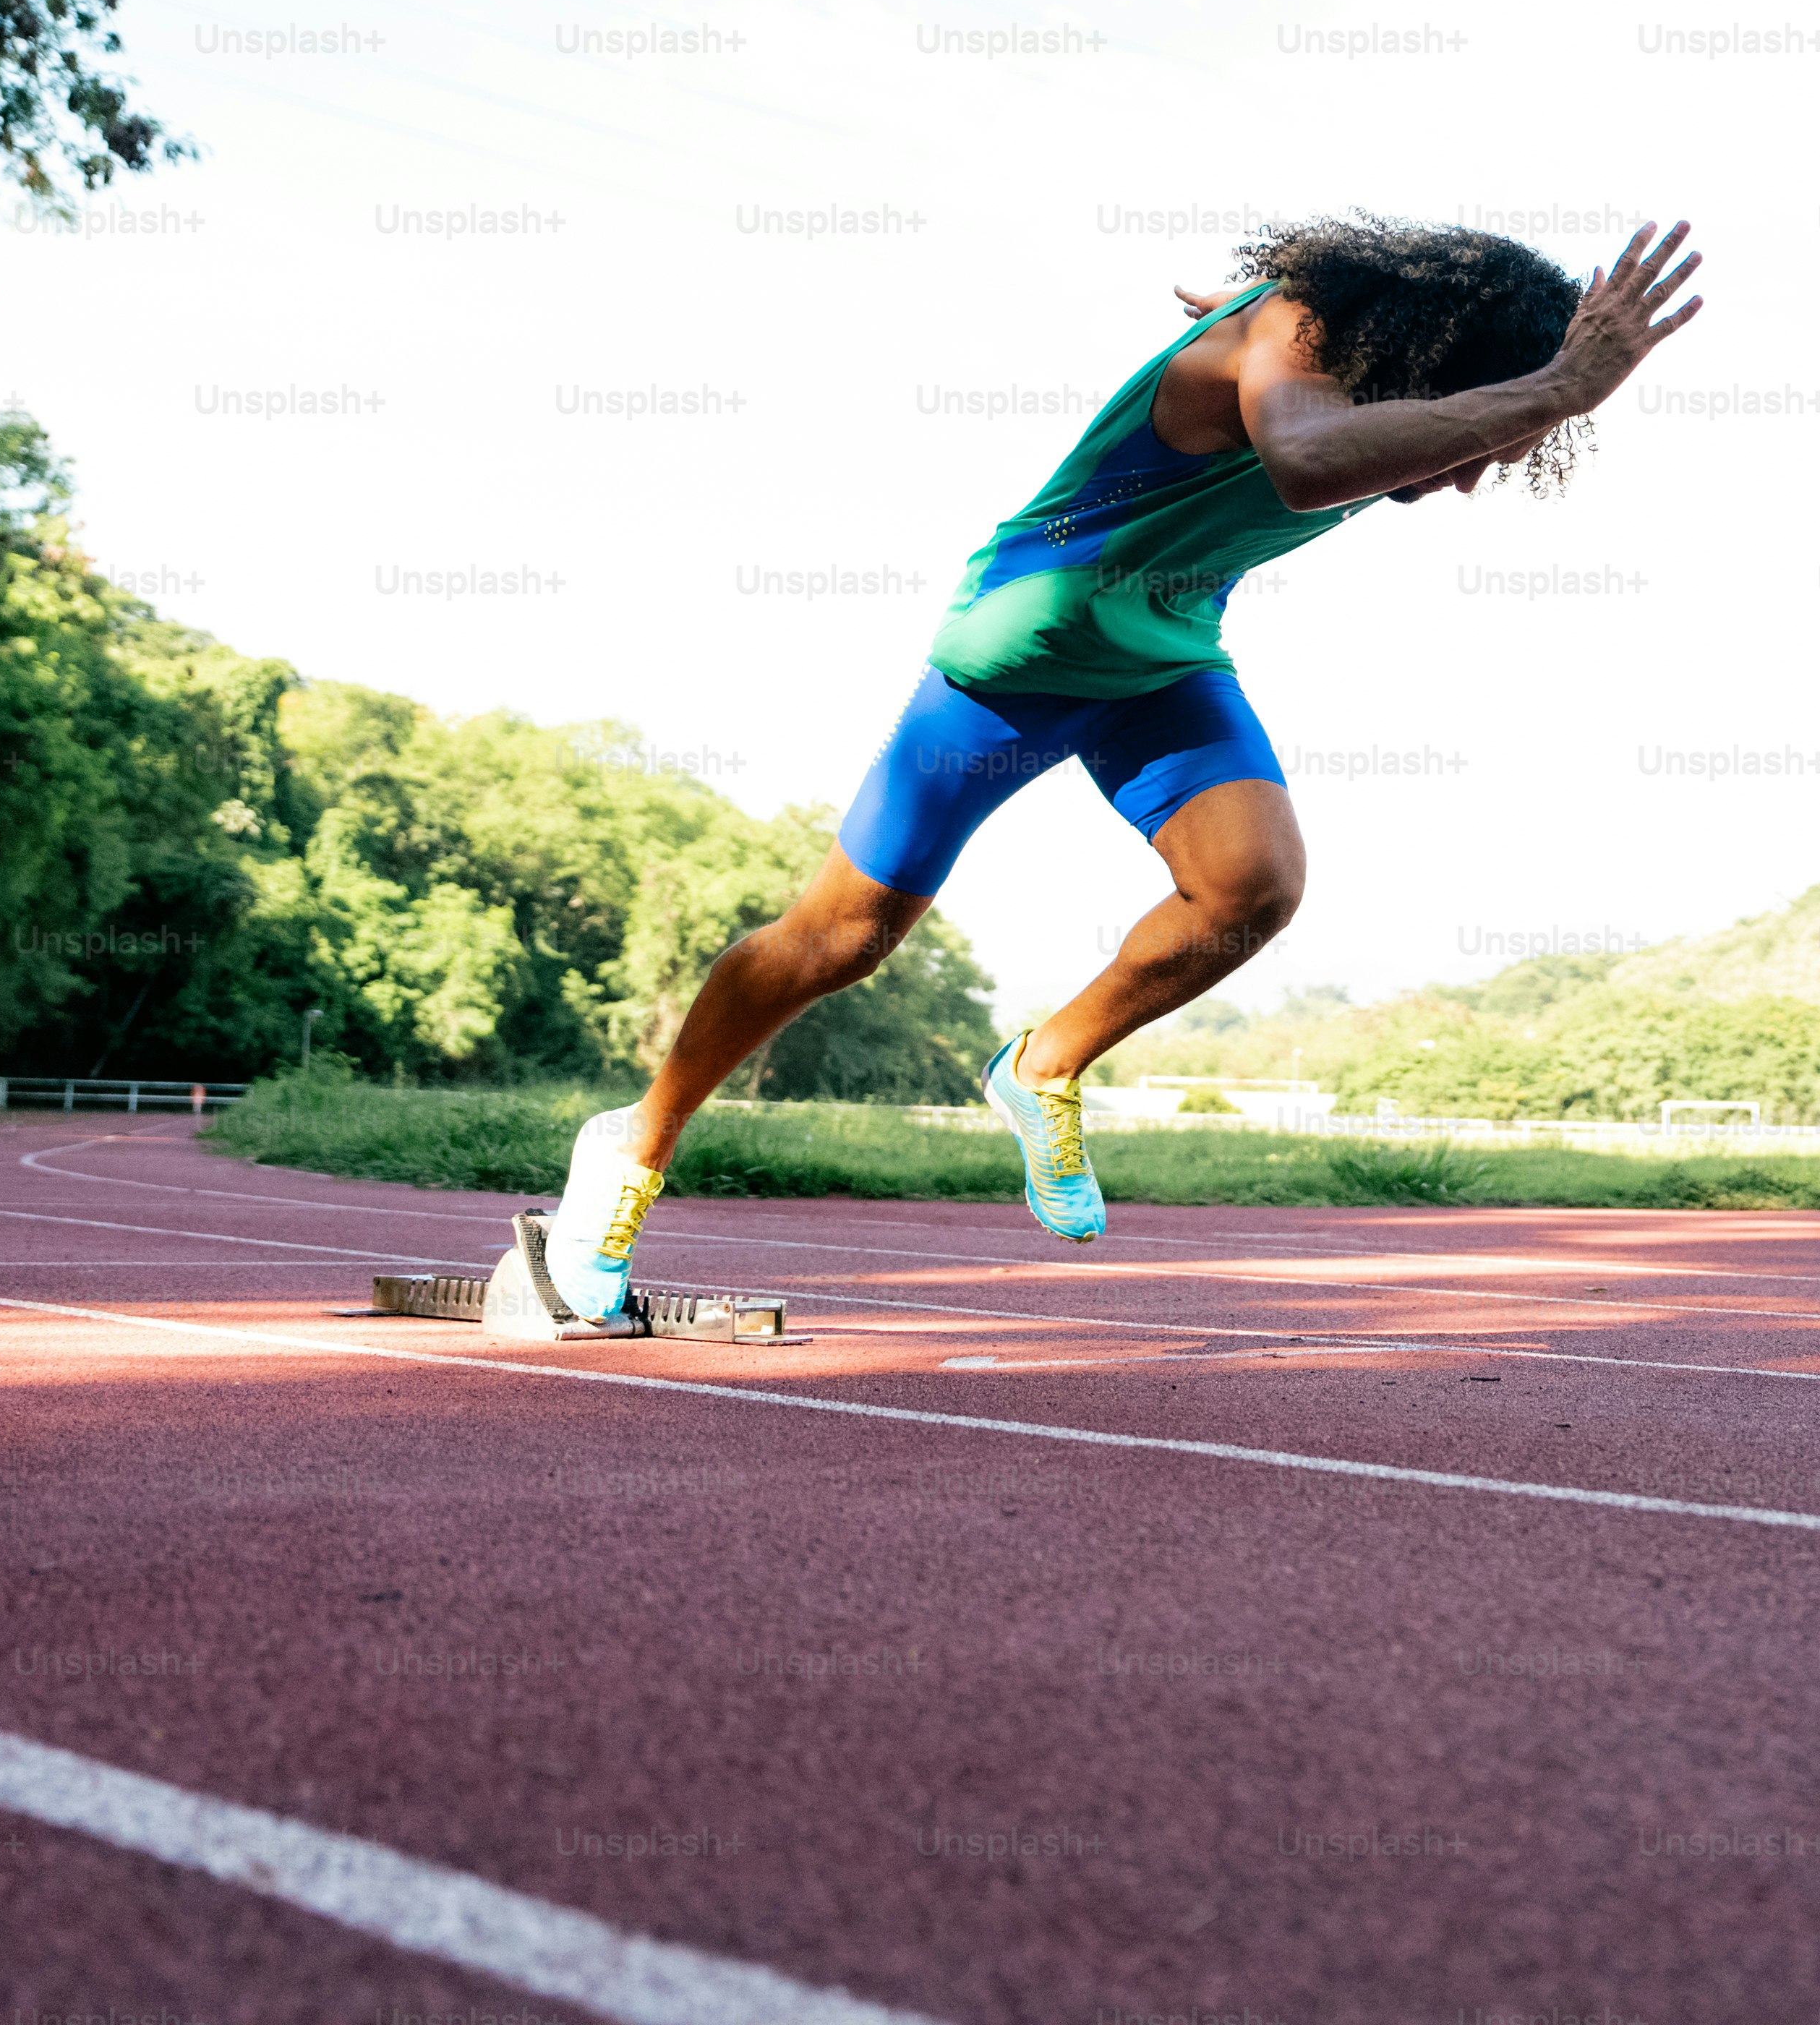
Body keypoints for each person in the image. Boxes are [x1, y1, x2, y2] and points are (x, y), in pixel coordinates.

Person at [534, 215, 1704, 1317]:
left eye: (1512, 446)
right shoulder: (1292, 332)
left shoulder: (1311, 342)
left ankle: (1041, 1065)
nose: (1472, 473)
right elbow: (1298, 458)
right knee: (840, 938)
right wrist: (1549, 387)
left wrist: (1485, 389)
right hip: (1025, 644)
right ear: (1435, 360)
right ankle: (634, 1140)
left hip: (1161, 654)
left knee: (1254, 890)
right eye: (1486, 428)